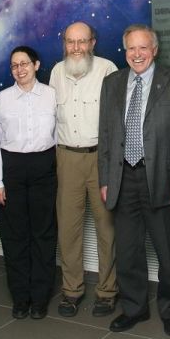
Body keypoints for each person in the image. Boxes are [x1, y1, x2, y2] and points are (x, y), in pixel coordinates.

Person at [98, 24, 170, 337]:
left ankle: (169, 311)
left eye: (143, 48)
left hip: (162, 180)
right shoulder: (112, 83)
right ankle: (134, 308)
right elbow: (106, 135)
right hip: (123, 178)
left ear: (154, 50)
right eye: (131, 49)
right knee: (127, 251)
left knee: (167, 252)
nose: (136, 54)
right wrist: (105, 178)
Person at [49, 21, 118, 318]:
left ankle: (107, 291)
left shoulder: (108, 69)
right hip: (66, 158)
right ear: (64, 43)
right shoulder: (55, 72)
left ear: (93, 42)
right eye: (70, 42)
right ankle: (72, 289)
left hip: (100, 157)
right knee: (68, 228)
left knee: (107, 228)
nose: (76, 48)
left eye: (82, 41)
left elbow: (118, 120)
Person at [0, 46, 57, 320]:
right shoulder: (2, 100)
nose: (19, 69)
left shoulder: (51, 96)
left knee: (44, 236)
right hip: (11, 171)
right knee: (15, 238)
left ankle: (39, 298)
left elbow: (59, 136)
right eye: (14, 65)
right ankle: (20, 297)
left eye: (24, 63)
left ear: (36, 65)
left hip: (44, 170)